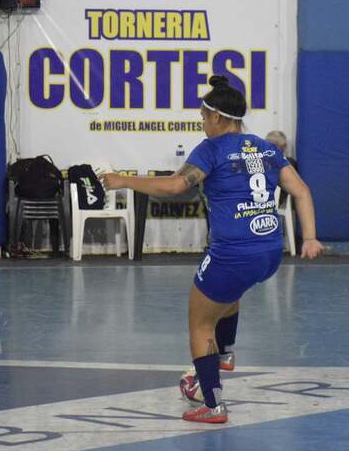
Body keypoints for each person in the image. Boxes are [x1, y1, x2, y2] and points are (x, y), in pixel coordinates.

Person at [101, 75, 324, 423]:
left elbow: (176, 186)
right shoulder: (266, 148)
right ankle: (227, 352)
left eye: (203, 117)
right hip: (269, 252)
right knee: (229, 292)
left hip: (233, 253)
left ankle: (213, 404)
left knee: (200, 325)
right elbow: (303, 192)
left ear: (218, 117)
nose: (202, 123)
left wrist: (123, 180)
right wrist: (309, 237)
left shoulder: (211, 149)